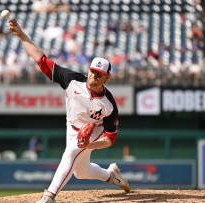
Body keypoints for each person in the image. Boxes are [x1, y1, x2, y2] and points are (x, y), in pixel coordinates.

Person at [7, 19, 130, 203]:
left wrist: (88, 144)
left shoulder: (109, 104)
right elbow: (42, 61)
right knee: (81, 172)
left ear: (106, 78)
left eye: (99, 74)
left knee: (71, 152)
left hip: (93, 130)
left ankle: (49, 196)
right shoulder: (73, 80)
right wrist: (22, 35)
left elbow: (110, 138)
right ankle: (112, 174)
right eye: (92, 71)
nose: (93, 76)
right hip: (71, 127)